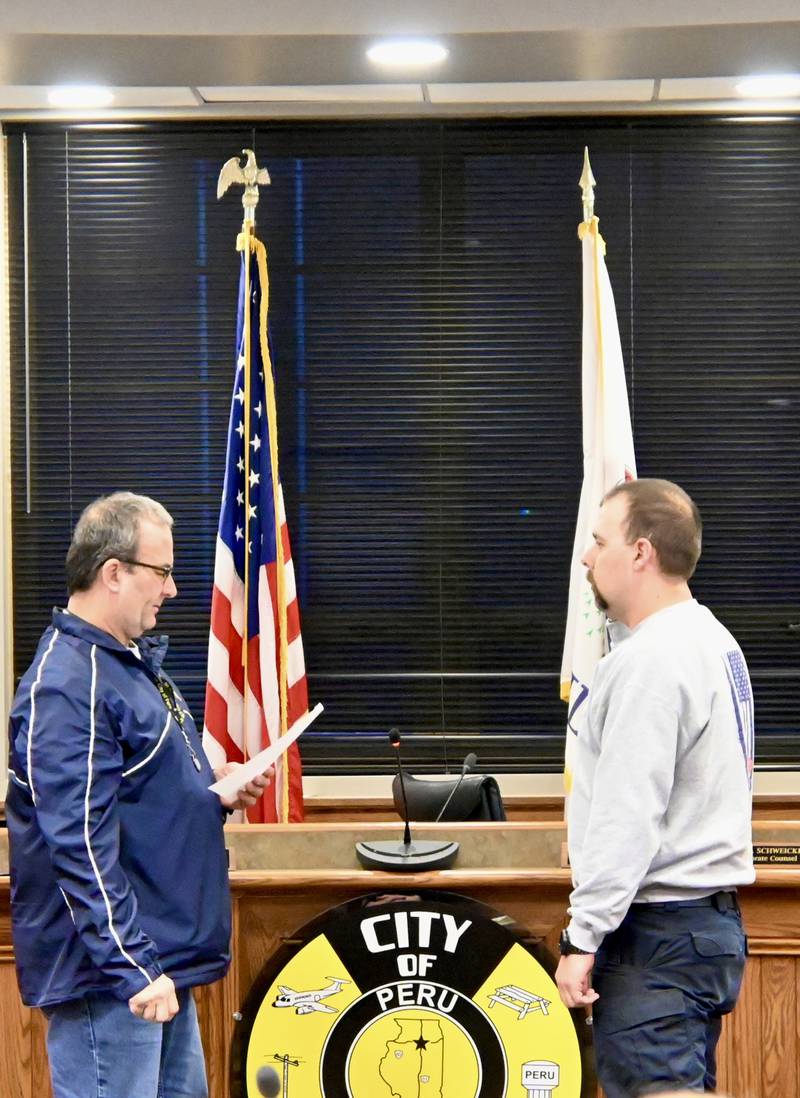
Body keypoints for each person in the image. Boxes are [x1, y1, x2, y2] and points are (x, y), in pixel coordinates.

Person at [6, 492, 271, 1098]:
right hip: (114, 979)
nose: (172, 590)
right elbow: (78, 846)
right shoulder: (68, 686)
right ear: (114, 573)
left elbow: (138, 800)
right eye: (164, 572)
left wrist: (215, 797)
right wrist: (132, 967)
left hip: (157, 965)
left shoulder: (125, 663)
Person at [555, 479, 754, 1098]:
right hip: (701, 929)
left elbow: (628, 813)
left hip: (658, 936)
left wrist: (581, 936)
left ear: (640, 553)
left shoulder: (653, 661)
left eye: (598, 541)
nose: (588, 558)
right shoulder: (712, 640)